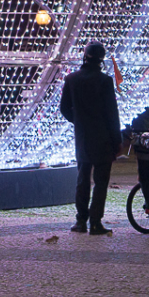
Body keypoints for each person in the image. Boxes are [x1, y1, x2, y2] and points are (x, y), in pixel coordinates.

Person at [59, 41, 122, 235]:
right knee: (101, 182)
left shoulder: (71, 79)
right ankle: (95, 222)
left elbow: (64, 108)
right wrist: (117, 140)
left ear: (84, 56)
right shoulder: (105, 81)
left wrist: (78, 121)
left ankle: (80, 221)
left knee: (82, 178)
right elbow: (112, 113)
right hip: (102, 137)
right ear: (101, 60)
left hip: (83, 136)